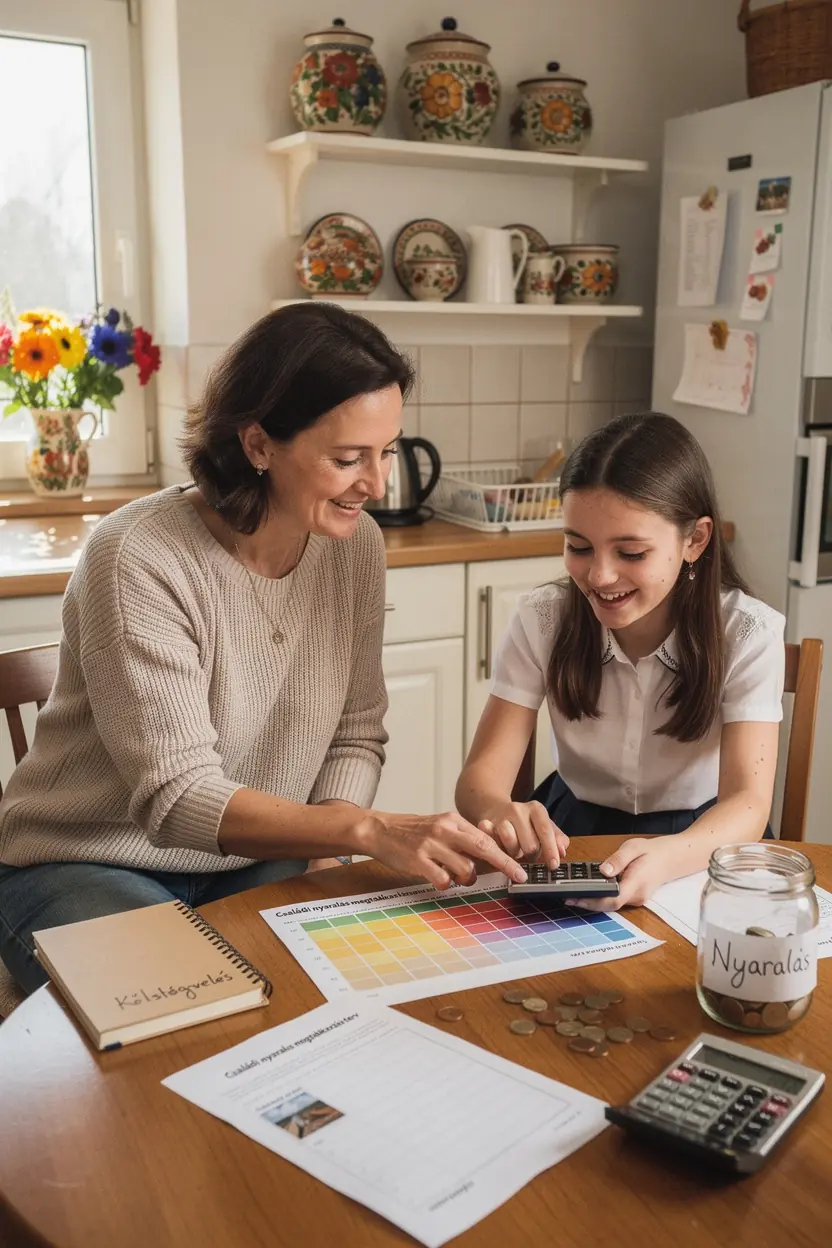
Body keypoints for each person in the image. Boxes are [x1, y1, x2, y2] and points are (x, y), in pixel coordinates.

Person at [0, 303, 526, 994]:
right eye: (347, 459)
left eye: (386, 451)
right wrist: (365, 832)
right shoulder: (138, 556)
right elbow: (177, 799)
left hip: (260, 859)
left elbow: (355, 734)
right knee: (186, 1016)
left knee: (357, 989)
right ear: (257, 445)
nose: (377, 485)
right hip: (83, 863)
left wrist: (329, 853)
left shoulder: (354, 546)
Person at [455, 411, 784, 911]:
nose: (600, 576)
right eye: (578, 547)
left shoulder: (747, 632)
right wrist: (504, 812)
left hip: (703, 840)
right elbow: (478, 782)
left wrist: (668, 857)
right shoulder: (543, 618)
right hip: (572, 832)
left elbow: (748, 803)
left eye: (631, 553)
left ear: (694, 540)